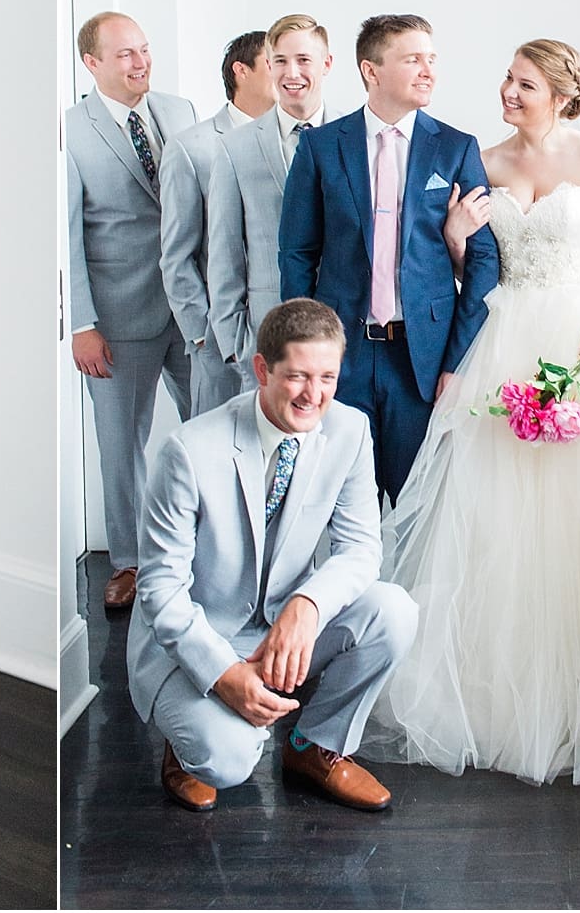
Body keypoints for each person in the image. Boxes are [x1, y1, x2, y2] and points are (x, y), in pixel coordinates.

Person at [366, 39, 580, 788]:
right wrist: (453, 243)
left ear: (559, 91)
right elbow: (474, 265)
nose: (508, 92)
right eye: (507, 80)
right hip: (505, 338)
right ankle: (499, 690)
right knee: (494, 514)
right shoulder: (483, 160)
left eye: (523, 83)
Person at [131, 299, 417, 813]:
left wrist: (306, 607)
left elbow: (360, 550)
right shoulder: (189, 450)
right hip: (199, 635)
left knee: (394, 612)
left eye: (328, 377)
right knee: (228, 762)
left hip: (280, 622)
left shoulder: (349, 432)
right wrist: (223, 673)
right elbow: (160, 592)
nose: (315, 395)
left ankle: (314, 747)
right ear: (262, 369)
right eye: (299, 376)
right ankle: (186, 747)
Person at [278, 14, 498, 502]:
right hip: (341, 352)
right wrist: (303, 348)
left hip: (421, 357)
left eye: (432, 60)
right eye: (413, 59)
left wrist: (458, 362)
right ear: (371, 71)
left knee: (417, 503)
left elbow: (484, 262)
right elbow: (296, 252)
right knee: (335, 499)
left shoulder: (457, 148)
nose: (428, 71)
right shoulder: (320, 147)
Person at [65, 12, 198, 612]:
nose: (141, 63)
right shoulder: (71, 130)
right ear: (91, 63)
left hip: (195, 309)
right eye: (125, 55)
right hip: (118, 318)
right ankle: (129, 561)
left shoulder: (182, 111)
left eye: (144, 50)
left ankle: (205, 549)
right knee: (122, 446)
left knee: (214, 429)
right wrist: (81, 324)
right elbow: (65, 235)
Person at [207, 14, 336, 397]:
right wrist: (236, 346)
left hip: (342, 339)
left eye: (303, 60)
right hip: (265, 341)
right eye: (279, 61)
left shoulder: (354, 138)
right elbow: (224, 254)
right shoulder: (235, 149)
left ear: (327, 64)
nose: (290, 72)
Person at [159, 31, 274, 415]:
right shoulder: (192, 147)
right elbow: (177, 255)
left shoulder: (301, 140)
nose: (287, 73)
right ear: (241, 71)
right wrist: (204, 336)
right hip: (220, 344)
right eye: (274, 63)